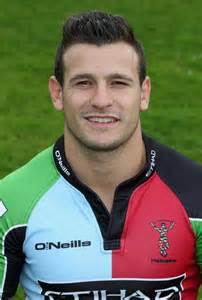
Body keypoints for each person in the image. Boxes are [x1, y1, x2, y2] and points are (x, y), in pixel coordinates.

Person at [0, 10, 202, 300]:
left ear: (144, 93)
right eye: (83, 83)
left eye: (118, 83)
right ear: (57, 93)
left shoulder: (196, 197)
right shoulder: (12, 204)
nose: (101, 100)